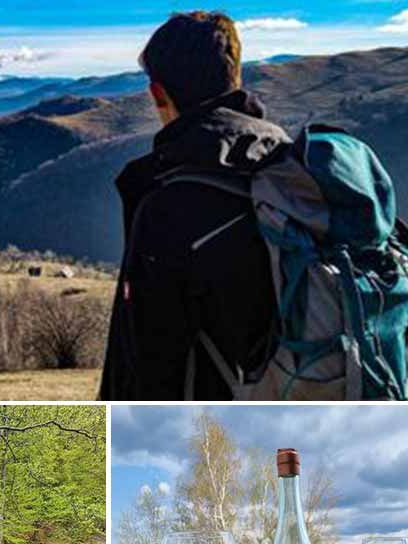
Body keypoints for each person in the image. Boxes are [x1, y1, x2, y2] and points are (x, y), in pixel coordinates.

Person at [99, 11, 290, 400]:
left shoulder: (168, 204)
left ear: (157, 94)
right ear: (236, 76)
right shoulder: (292, 168)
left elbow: (144, 360)